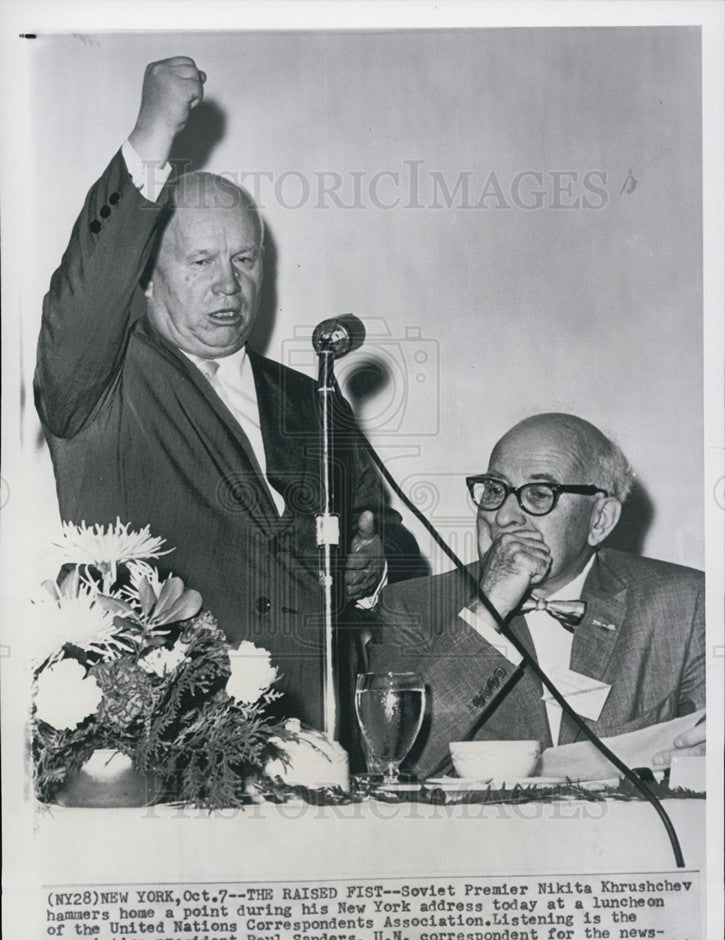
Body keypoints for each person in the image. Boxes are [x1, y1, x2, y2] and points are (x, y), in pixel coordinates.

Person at [35, 57, 423, 733]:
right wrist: (152, 133)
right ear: (148, 279)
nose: (228, 285)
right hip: (169, 742)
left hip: (320, 735)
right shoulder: (99, 386)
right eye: (201, 262)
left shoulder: (314, 400)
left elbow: (378, 532)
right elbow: (84, 292)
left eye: (244, 261)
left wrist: (376, 561)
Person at [368, 413, 705, 777]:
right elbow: (394, 763)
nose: (503, 516)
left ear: (600, 520)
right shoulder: (412, 608)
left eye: (539, 494)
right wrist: (488, 610)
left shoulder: (684, 604)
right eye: (495, 490)